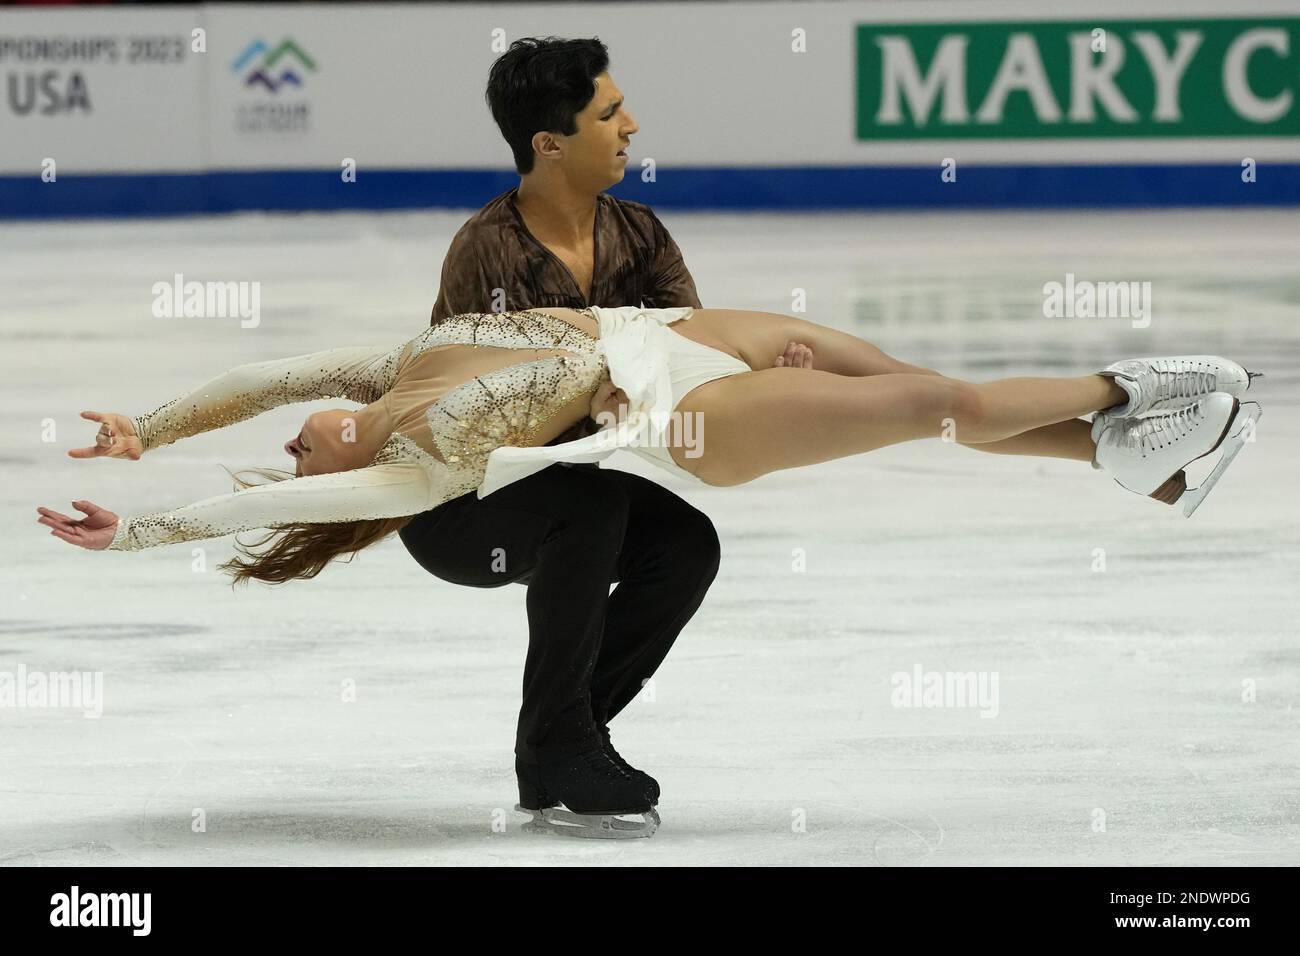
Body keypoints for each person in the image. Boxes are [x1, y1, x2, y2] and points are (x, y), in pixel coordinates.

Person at [39, 304, 1262, 836]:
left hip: (671, 333)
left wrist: (150, 424)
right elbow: (296, 494)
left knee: (910, 387)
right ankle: (1138, 393)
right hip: (681, 415)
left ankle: (1133, 465)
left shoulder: (393, 369)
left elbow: (271, 378)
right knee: (935, 400)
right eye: (290, 460)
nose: (291, 443)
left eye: (302, 433)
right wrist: (134, 527)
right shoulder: (409, 466)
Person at [398, 36, 722, 838]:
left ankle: (560, 738)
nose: (631, 125)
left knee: (684, 545)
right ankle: (562, 743)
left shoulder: (640, 236)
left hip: (557, 478)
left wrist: (758, 364)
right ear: (549, 144)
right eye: (609, 113)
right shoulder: (488, 250)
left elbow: (690, 349)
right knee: (589, 516)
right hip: (455, 499)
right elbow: (468, 405)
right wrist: (592, 394)